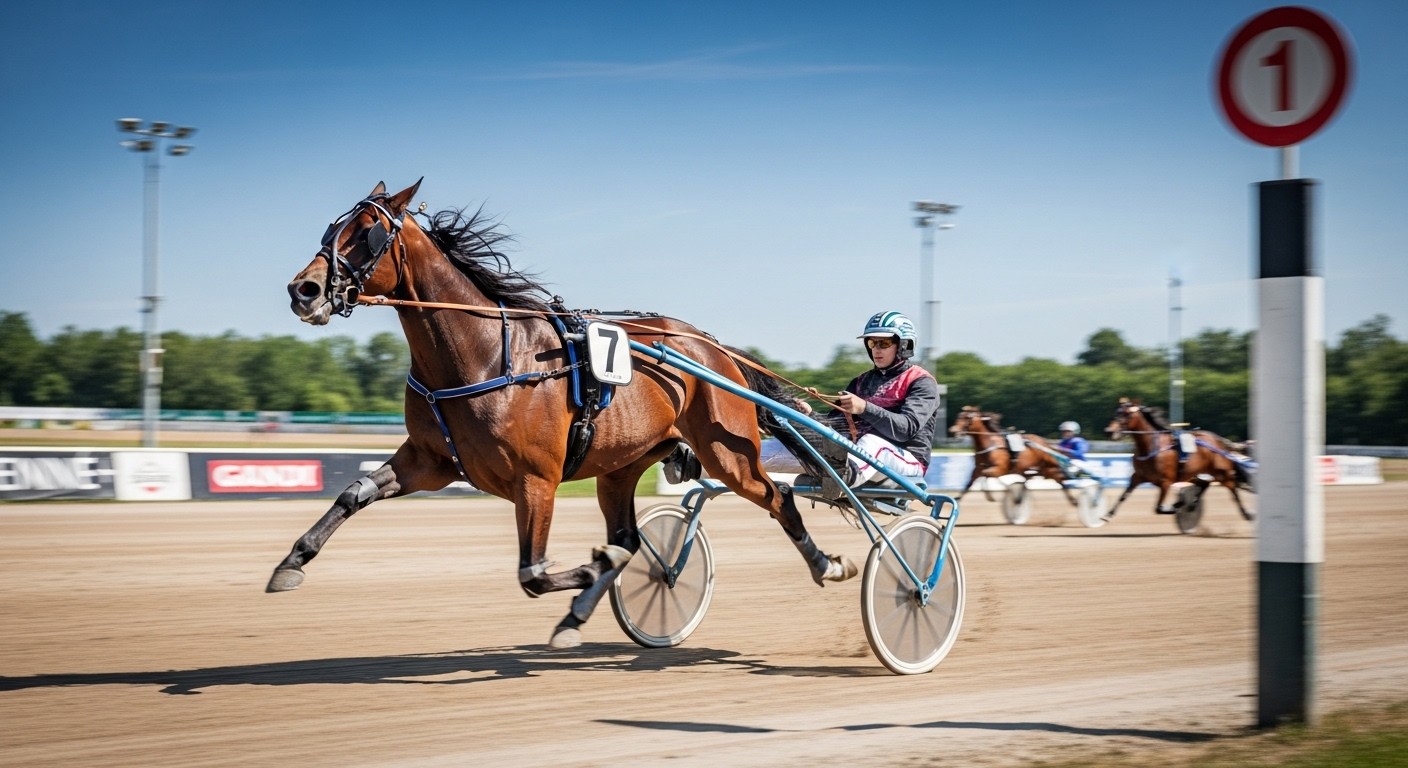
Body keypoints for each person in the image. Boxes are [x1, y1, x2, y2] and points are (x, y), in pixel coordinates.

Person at [796, 311, 940, 488]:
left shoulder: (921, 382)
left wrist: (864, 407)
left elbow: (905, 429)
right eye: (872, 342)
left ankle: (843, 477)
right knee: (789, 442)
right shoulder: (860, 381)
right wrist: (810, 414)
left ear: (904, 345)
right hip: (858, 456)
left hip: (906, 462)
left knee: (873, 442)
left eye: (884, 343)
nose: (876, 349)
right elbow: (835, 427)